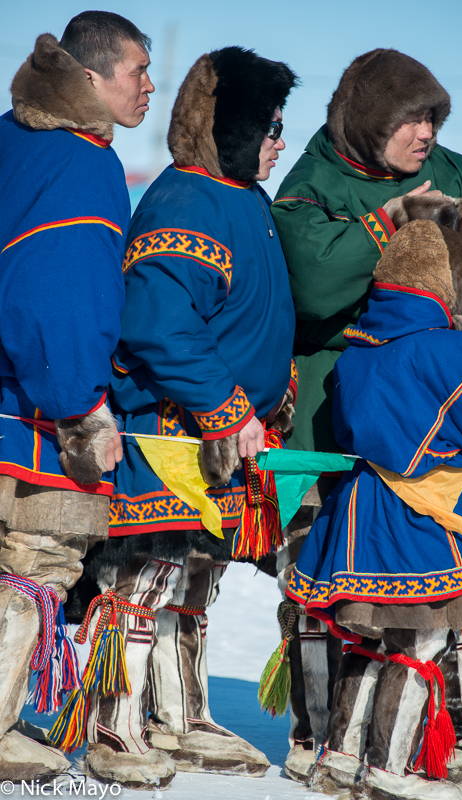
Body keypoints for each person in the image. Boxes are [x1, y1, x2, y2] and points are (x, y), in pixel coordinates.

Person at [269, 47, 462, 784]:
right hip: (332, 423)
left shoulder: (455, 172)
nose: (426, 134)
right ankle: (318, 737)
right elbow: (318, 283)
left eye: (432, 118)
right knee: (330, 601)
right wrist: (389, 224)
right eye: (410, 119)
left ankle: (452, 743)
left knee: (449, 598)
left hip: (440, 434)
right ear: (365, 122)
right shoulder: (314, 183)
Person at [53, 47, 298, 789]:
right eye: (271, 126)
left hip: (221, 442)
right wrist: (227, 412)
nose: (280, 142)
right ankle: (113, 725)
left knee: (194, 583)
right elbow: (159, 323)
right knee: (143, 580)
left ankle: (181, 713)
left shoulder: (241, 198)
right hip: (173, 434)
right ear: (232, 129)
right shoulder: (187, 201)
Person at [0, 11, 153, 781]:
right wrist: (79, 409)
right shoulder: (80, 163)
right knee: (35, 561)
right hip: (30, 411)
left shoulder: (10, 139)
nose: (149, 85)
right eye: (136, 70)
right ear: (89, 78)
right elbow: (57, 294)